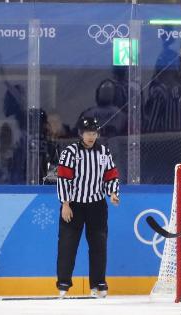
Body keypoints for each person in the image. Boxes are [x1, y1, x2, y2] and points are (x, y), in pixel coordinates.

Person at [55, 117, 120, 298]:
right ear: (80, 134)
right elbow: (63, 178)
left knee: (99, 245)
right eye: (87, 133)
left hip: (97, 206)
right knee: (67, 245)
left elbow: (110, 175)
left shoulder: (104, 153)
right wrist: (65, 204)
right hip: (74, 205)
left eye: (94, 133)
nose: (91, 136)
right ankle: (63, 284)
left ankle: (98, 283)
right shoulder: (70, 152)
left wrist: (113, 193)